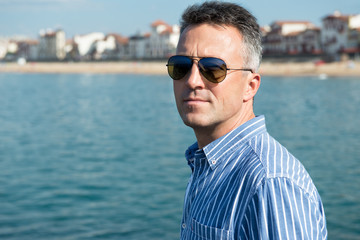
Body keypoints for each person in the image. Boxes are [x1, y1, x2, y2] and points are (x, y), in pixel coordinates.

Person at [166, 1, 327, 239]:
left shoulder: (269, 182)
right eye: (181, 66)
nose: (192, 81)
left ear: (250, 87)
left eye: (213, 69)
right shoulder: (207, 163)